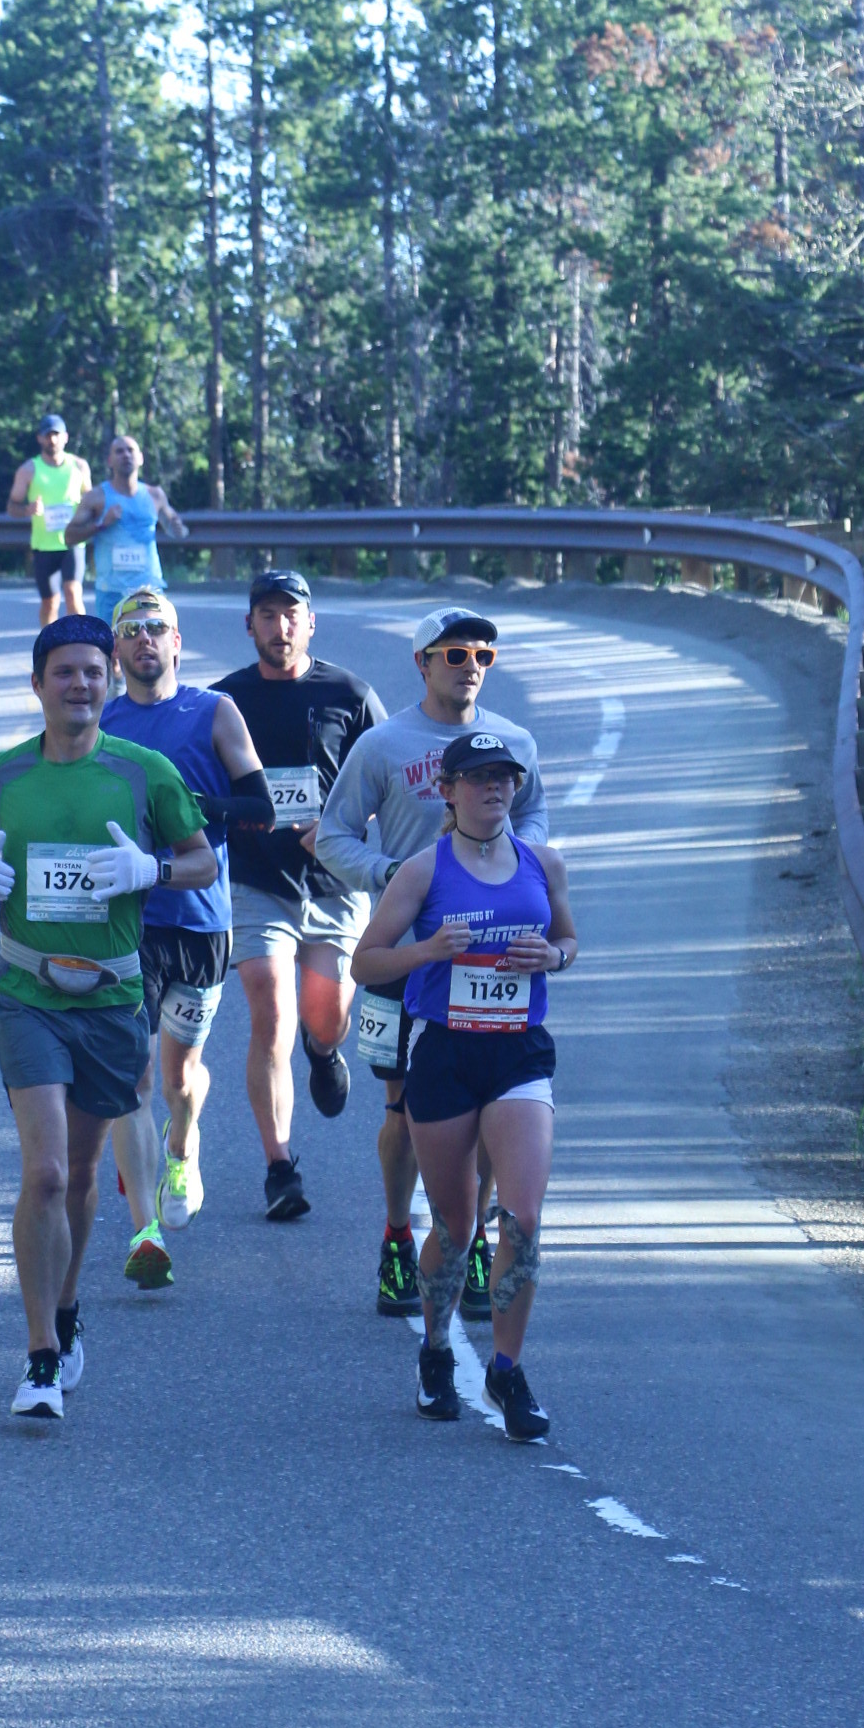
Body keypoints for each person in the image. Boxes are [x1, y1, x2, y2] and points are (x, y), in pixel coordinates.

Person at [0, 616, 215, 1420]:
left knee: (85, 1173)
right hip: (25, 993)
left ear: (110, 679)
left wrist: (151, 868)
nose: (81, 685)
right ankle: (38, 1356)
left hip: (110, 999)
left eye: (94, 672)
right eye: (64, 672)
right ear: (38, 684)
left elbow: (202, 860)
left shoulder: (145, 772)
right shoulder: (1, 775)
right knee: (46, 1173)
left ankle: (66, 1311)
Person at [318, 606, 548, 1320]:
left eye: (483, 655)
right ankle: (397, 1233)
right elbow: (332, 836)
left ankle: (469, 1236)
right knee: (403, 1112)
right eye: (455, 655)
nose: (470, 666)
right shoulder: (384, 745)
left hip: (491, 957)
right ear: (422, 663)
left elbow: (537, 823)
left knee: (491, 1109)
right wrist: (393, 875)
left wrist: (517, 871)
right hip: (403, 954)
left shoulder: (514, 743)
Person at [350, 731, 575, 1437]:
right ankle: (437, 1350)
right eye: (478, 778)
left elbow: (569, 940)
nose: (494, 789)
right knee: (455, 1225)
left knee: (523, 1218)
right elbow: (365, 962)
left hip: (517, 1052)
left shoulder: (543, 863)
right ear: (447, 792)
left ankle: (507, 1370)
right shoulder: (422, 872)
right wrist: (426, 951)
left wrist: (552, 957)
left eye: (504, 778)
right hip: (444, 1053)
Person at [100, 586, 273, 1284]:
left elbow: (260, 805)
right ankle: (145, 1232)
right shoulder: (101, 719)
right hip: (127, 921)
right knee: (134, 1074)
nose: (144, 639)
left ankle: (182, 1146)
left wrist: (195, 808)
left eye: (157, 628)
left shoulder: (213, 711)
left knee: (179, 1078)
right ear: (117, 648)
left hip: (200, 920)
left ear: (177, 642)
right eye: (131, 630)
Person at [212, 569, 385, 1221]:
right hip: (258, 880)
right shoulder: (223, 702)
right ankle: (280, 1167)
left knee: (324, 1018)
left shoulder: (350, 695)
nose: (280, 626)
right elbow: (196, 785)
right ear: (249, 625)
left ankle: (324, 1048)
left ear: (310, 623)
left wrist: (343, 827)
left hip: (335, 883)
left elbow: (389, 784)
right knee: (270, 1012)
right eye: (267, 614)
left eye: (291, 615)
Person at [65, 434, 187, 629]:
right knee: (111, 645)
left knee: (156, 642)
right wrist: (101, 524)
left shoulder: (155, 495)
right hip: (111, 590)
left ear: (140, 458)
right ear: (110, 460)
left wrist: (178, 527)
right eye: (119, 451)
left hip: (150, 587)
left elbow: (174, 527)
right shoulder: (96, 497)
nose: (126, 455)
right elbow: (69, 536)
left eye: (130, 450)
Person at [8, 413, 93, 628]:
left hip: (73, 542)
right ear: (40, 439)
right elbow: (12, 507)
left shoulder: (79, 466)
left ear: (65, 437)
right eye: (47, 436)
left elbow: (91, 501)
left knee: (73, 593)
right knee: (50, 602)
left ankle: (80, 639)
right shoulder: (28, 470)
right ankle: (49, 642)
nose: (52, 440)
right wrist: (27, 510)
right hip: (44, 545)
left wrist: (86, 515)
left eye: (56, 435)